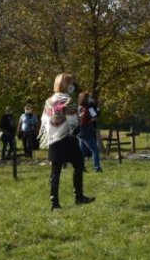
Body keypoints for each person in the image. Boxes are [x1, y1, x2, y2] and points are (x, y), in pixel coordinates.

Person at [40, 73, 94, 210]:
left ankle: (54, 204)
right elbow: (73, 123)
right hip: (68, 139)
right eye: (70, 83)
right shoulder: (68, 100)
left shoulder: (49, 101)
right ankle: (79, 197)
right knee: (78, 165)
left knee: (55, 172)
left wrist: (53, 133)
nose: (72, 86)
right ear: (65, 84)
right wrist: (76, 125)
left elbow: (45, 121)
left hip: (53, 139)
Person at [77, 92, 103, 173]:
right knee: (95, 150)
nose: (90, 99)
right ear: (86, 99)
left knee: (82, 151)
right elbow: (95, 117)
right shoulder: (88, 108)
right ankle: (97, 167)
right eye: (88, 97)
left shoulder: (79, 107)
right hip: (86, 130)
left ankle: (80, 167)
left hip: (79, 131)